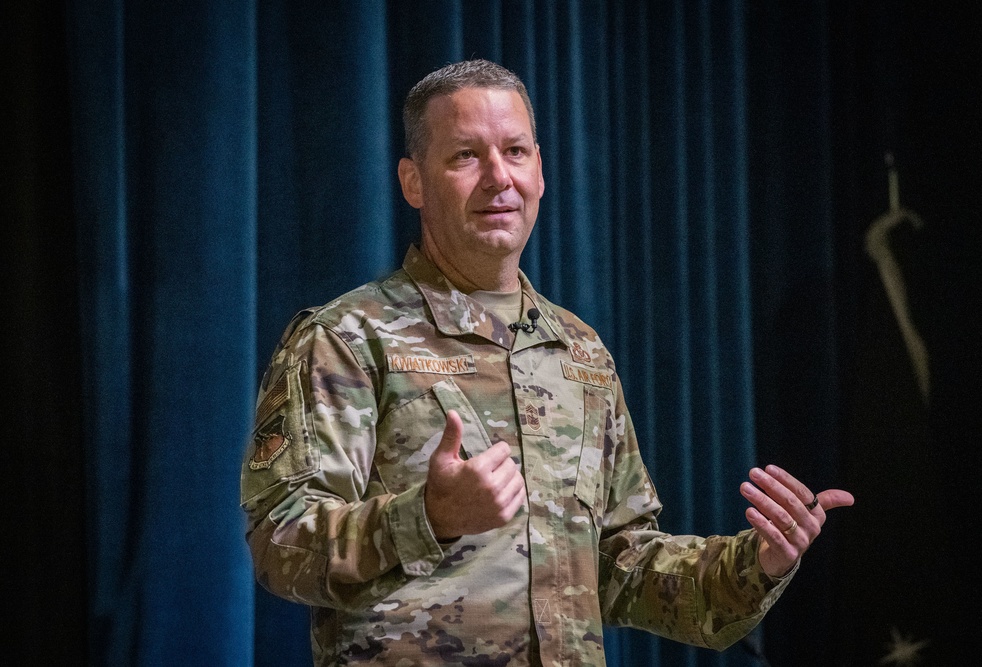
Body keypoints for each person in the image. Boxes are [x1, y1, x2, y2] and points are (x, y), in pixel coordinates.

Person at [240, 58, 854, 666]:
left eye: (515, 152)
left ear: (540, 170)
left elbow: (621, 567)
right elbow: (279, 544)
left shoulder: (579, 352)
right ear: (413, 182)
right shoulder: (349, 338)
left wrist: (758, 563)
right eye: (465, 156)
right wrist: (426, 515)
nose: (498, 178)